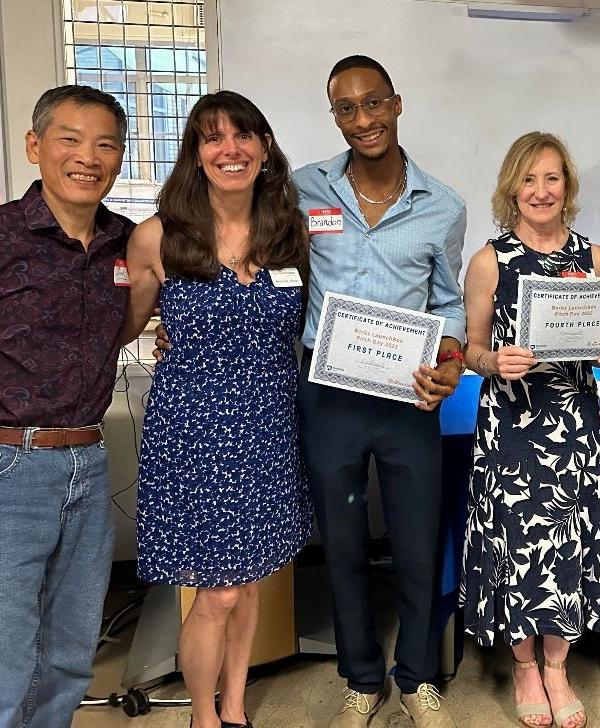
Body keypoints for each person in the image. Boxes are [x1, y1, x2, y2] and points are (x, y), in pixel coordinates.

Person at [123, 90, 312, 728]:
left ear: (263, 148)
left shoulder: (290, 233)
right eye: (212, 138)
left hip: (268, 425)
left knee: (251, 578)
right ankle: (205, 719)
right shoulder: (158, 237)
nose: (229, 149)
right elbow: (123, 325)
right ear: (195, 154)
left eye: (243, 136)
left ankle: (235, 710)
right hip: (194, 433)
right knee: (217, 591)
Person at [293, 56, 466, 728]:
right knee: (340, 543)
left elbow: (449, 305)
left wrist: (449, 362)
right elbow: (267, 263)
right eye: (346, 107)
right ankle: (362, 679)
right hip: (328, 392)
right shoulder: (303, 188)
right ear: (334, 115)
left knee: (416, 541)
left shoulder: (443, 205)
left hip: (408, 396)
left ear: (396, 104)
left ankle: (417, 678)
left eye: (373, 103)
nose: (362, 119)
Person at [460, 132, 600, 728]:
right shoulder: (490, 260)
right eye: (528, 180)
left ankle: (558, 665)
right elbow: (471, 349)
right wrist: (491, 362)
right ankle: (525, 665)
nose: (540, 191)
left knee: (574, 541)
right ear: (512, 188)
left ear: (568, 188)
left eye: (552, 178)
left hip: (576, 420)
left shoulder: (596, 258)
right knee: (517, 544)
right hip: (511, 422)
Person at [0, 85, 132, 728]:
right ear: (35, 146)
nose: (88, 157)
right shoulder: (2, 235)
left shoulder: (126, 245)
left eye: (105, 143)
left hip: (88, 458)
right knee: (6, 655)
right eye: (69, 139)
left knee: (71, 650)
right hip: (9, 464)